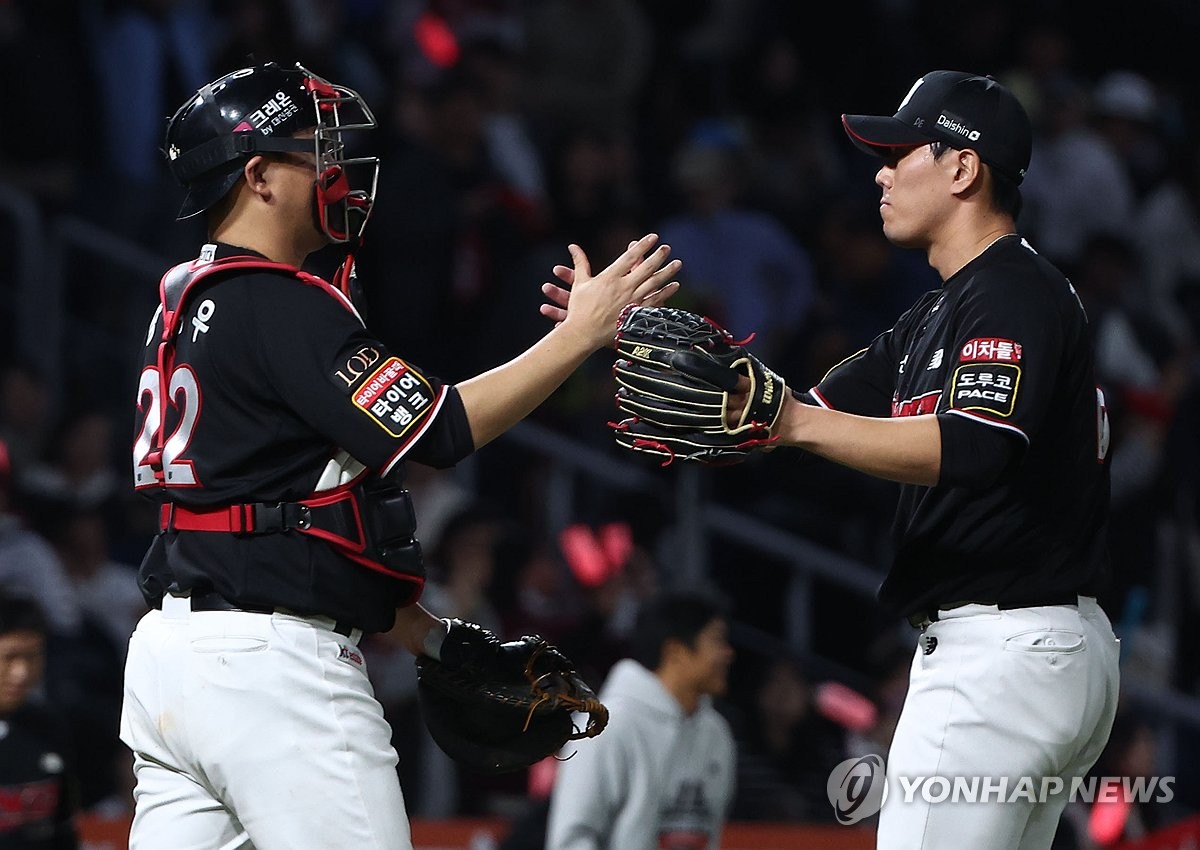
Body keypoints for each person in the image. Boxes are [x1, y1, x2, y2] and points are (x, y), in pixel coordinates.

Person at [119, 60, 680, 850]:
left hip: (173, 660)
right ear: (258, 175)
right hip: (273, 674)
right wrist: (578, 336)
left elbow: (269, 509)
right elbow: (441, 428)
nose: (335, 165)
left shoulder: (183, 297)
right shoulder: (279, 299)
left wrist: (427, 636)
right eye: (312, 148)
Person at [734, 70, 1120, 849]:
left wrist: (794, 424)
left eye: (902, 150)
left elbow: (974, 445)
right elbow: (795, 409)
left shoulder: (1010, 292)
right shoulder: (942, 310)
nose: (880, 171)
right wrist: (625, 337)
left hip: (1001, 653)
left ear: (962, 168)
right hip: (1036, 648)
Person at [544, 588, 736, 850]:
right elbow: (571, 840)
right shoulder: (603, 728)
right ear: (676, 652)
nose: (728, 654)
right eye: (716, 641)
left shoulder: (716, 735)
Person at [0, 590, 81, 850]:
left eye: (32, 657)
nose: (21, 673)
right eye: (10, 657)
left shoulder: (49, 726)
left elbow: (63, 827)